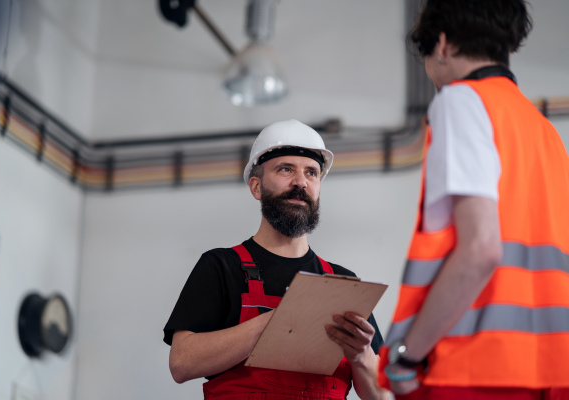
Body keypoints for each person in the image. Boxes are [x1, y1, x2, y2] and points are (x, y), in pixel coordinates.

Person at [378, 1, 569, 399]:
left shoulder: (462, 100)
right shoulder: (543, 130)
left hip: (474, 366)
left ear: (443, 45)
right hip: (546, 370)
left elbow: (482, 250)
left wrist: (405, 357)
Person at [164, 119, 389, 400]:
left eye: (311, 173)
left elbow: (381, 396)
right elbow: (181, 364)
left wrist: (361, 354)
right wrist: (277, 322)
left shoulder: (345, 283)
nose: (300, 182)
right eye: (285, 169)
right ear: (256, 187)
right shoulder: (222, 266)